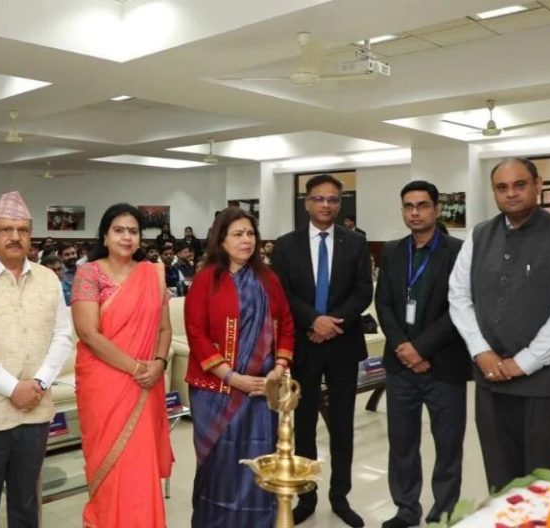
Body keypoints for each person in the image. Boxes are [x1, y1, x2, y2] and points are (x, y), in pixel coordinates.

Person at [449, 157, 550, 491]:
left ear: (537, 185)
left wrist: (525, 362)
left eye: (519, 184)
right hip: (491, 381)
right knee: (501, 479)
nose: (511, 193)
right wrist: (480, 351)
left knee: (544, 484)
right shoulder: (479, 236)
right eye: (502, 187)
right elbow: (458, 295)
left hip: (549, 388)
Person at [0, 191, 74, 528]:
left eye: (23, 230)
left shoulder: (48, 279)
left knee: (26, 503)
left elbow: (62, 336)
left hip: (35, 410)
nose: (15, 237)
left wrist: (38, 383)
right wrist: (13, 388)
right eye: (6, 230)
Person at [271, 173, 372, 527]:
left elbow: (363, 292)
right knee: (304, 424)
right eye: (319, 198)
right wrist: (314, 321)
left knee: (343, 425)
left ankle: (340, 496)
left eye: (333, 199)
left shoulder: (356, 243)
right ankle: (308, 495)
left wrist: (330, 324)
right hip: (304, 346)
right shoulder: (286, 246)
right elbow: (282, 293)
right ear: (307, 203)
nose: (326, 205)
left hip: (343, 345)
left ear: (339, 204)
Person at [184, 207, 294, 527]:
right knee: (219, 463)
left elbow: (286, 324)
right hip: (216, 390)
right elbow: (196, 333)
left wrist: (279, 369)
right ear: (221, 240)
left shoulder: (269, 279)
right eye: (237, 234)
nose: (247, 240)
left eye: (250, 233)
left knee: (258, 460)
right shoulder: (206, 280)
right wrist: (232, 377)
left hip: (261, 389)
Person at [71, 203, 174, 528]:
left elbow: (165, 329)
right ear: (105, 235)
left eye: (133, 231)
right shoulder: (89, 273)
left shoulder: (152, 274)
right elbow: (88, 333)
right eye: (119, 230)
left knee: (140, 467)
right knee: (110, 464)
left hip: (147, 382)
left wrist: (159, 364)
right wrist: (137, 369)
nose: (127, 237)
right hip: (105, 384)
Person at [375, 181, 471, 528]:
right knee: (402, 443)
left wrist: (421, 348)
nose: (415, 212)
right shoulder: (392, 251)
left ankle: (443, 511)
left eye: (422, 205)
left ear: (437, 209)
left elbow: (460, 307)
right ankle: (406, 509)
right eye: (408, 206)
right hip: (401, 367)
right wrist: (404, 347)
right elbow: (384, 303)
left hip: (444, 365)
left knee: (448, 445)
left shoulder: (459, 251)